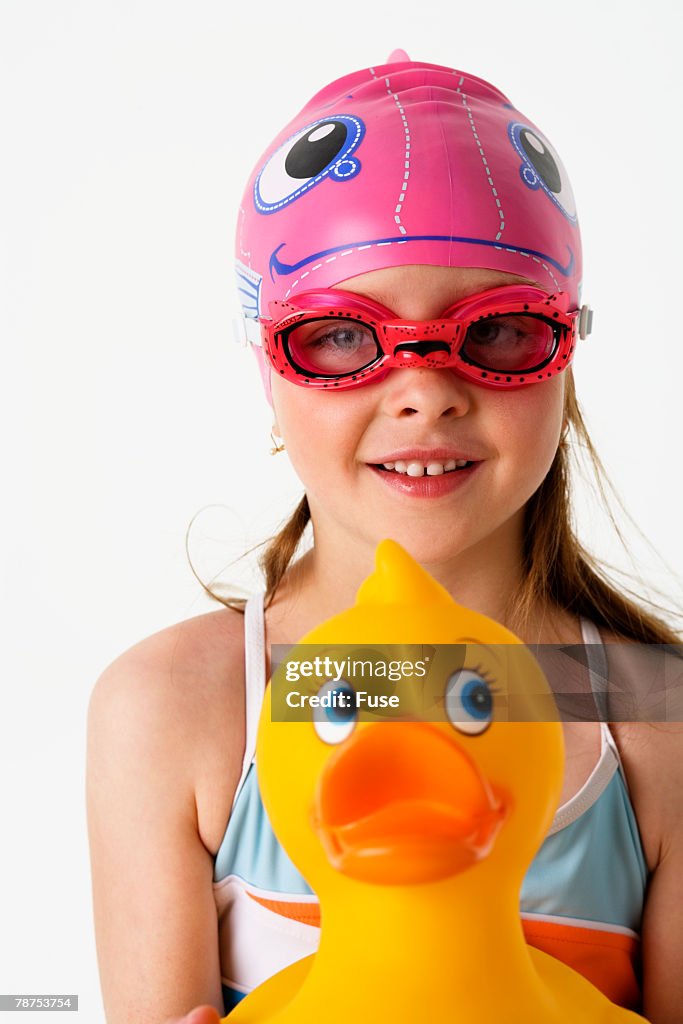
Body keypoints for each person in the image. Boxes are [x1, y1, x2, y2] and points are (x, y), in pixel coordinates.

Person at [86, 52, 683, 1024]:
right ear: (267, 367)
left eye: (495, 332)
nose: (422, 389)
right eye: (341, 336)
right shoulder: (181, 711)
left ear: (564, 351)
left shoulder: (653, 716)